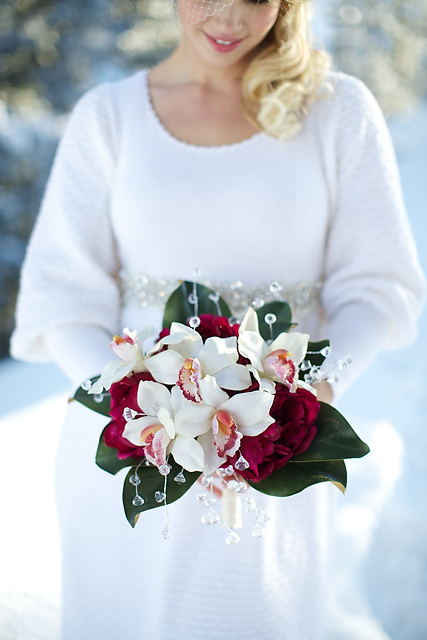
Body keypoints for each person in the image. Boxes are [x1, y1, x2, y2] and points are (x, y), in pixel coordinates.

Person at [10, 0, 425, 638]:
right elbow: (63, 295)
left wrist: (313, 392)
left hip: (271, 447)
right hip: (132, 449)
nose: (228, 17)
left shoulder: (338, 111)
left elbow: (376, 286)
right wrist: (138, 410)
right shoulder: (110, 116)